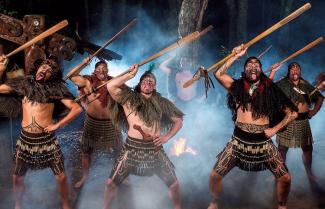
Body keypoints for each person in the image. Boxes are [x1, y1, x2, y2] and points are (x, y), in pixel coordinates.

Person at [208, 44, 298, 209]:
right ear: (244, 69)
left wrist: (274, 129)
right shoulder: (236, 87)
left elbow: (292, 113)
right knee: (214, 176)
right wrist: (235, 55)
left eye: (257, 64)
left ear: (261, 70)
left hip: (262, 143)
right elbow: (218, 73)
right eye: (249, 64)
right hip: (238, 142)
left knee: (285, 178)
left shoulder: (270, 90)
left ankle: (282, 206)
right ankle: (214, 202)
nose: (253, 66)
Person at [0, 54, 82, 209]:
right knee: (17, 177)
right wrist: (2, 68)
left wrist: (58, 125)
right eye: (44, 66)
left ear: (52, 76)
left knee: (61, 176)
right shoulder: (24, 84)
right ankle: (18, 205)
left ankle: (65, 204)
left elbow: (77, 108)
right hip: (25, 140)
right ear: (37, 68)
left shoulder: (55, 89)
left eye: (50, 70)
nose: (46, 69)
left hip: (47, 140)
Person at [103, 64, 184, 209]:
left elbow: (178, 121)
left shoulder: (162, 103)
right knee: (110, 184)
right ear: (140, 84)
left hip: (154, 149)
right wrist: (129, 75)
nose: (148, 82)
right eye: (145, 80)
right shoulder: (128, 99)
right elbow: (110, 86)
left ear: (154, 86)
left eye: (151, 81)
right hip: (131, 149)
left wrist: (167, 137)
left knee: (175, 185)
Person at [69, 58, 122, 188]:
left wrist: (131, 72)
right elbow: (71, 76)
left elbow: (126, 95)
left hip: (111, 123)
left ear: (108, 70)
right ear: (94, 71)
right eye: (98, 69)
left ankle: (120, 176)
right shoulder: (88, 82)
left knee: (119, 150)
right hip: (92, 122)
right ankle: (85, 177)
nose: (101, 71)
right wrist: (83, 63)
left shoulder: (113, 82)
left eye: (104, 69)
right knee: (86, 152)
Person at [275, 62, 324, 182]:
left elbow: (319, 98)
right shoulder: (282, 84)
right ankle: (280, 174)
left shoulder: (305, 85)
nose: (295, 70)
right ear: (289, 72)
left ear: (300, 72)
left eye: (297, 68)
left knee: (307, 149)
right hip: (287, 120)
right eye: (292, 68)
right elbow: (272, 96)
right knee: (282, 149)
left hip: (303, 121)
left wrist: (312, 112)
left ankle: (309, 173)